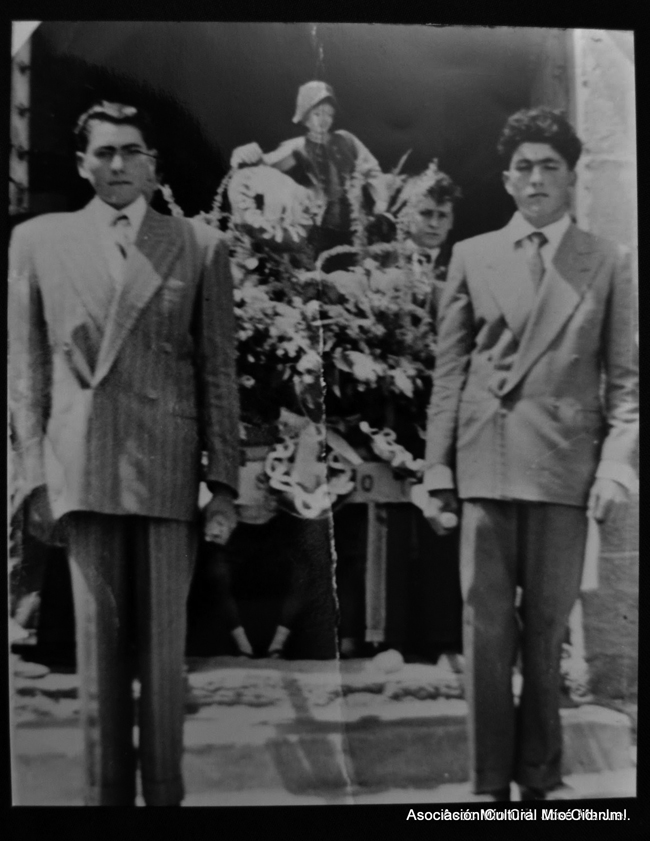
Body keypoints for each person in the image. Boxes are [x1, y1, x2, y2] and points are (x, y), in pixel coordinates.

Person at [9, 101, 240, 806]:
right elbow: (25, 375)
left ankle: (164, 798)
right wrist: (30, 479)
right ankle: (104, 802)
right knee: (97, 662)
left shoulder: (198, 244)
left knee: (163, 659)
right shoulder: (39, 242)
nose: (116, 165)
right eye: (103, 153)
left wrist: (223, 479)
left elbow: (218, 371)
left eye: (130, 152)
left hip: (167, 471)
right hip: (83, 470)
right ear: (82, 164)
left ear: (152, 165)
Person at [422, 107, 638, 801]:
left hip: (565, 471)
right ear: (507, 180)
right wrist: (436, 469)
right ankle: (489, 784)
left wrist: (615, 465)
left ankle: (541, 779)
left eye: (550, 166)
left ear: (572, 177)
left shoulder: (605, 261)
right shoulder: (472, 255)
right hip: (487, 464)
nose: (536, 178)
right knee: (486, 634)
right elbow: (449, 373)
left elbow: (627, 383)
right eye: (523, 167)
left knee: (546, 634)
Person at [230, 80, 387, 256]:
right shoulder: (299, 147)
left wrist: (381, 200)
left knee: (355, 262)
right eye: (317, 114)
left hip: (354, 222)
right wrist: (246, 155)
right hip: (319, 226)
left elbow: (372, 169)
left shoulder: (346, 140)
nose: (323, 120)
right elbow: (266, 165)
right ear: (305, 117)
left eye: (328, 114)